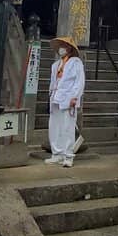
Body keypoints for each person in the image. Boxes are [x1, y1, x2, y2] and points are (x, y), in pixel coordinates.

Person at [45, 35, 85, 168]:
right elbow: (53, 81)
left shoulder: (75, 62)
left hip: (68, 97)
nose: (61, 49)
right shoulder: (55, 65)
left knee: (67, 126)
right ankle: (57, 154)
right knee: (54, 125)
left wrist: (75, 96)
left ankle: (68, 155)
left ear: (69, 48)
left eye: (64, 46)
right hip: (56, 96)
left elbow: (79, 81)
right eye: (60, 46)